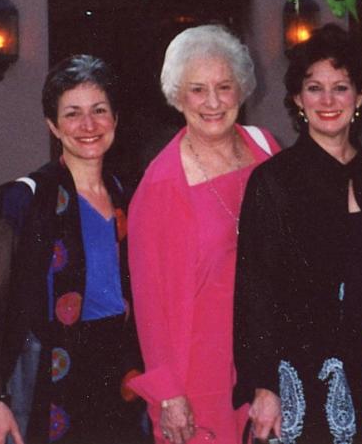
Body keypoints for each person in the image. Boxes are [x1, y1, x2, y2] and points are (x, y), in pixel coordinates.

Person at [234, 23, 362, 444]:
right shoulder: (273, 181)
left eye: (340, 88)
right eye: (314, 88)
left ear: (360, 98)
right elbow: (255, 290)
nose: (327, 101)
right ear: (297, 99)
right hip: (297, 377)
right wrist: (264, 385)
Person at [0, 54, 140, 444]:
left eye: (99, 110)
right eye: (72, 114)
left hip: (121, 377)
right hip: (53, 375)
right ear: (53, 125)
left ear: (115, 119)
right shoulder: (22, 202)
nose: (88, 126)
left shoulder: (128, 198)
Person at [127, 24, 281, 444]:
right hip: (199, 373)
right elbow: (148, 301)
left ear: (242, 90)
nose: (213, 102)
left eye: (224, 86)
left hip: (267, 362)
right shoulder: (161, 184)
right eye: (197, 89)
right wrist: (169, 394)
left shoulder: (266, 148)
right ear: (178, 96)